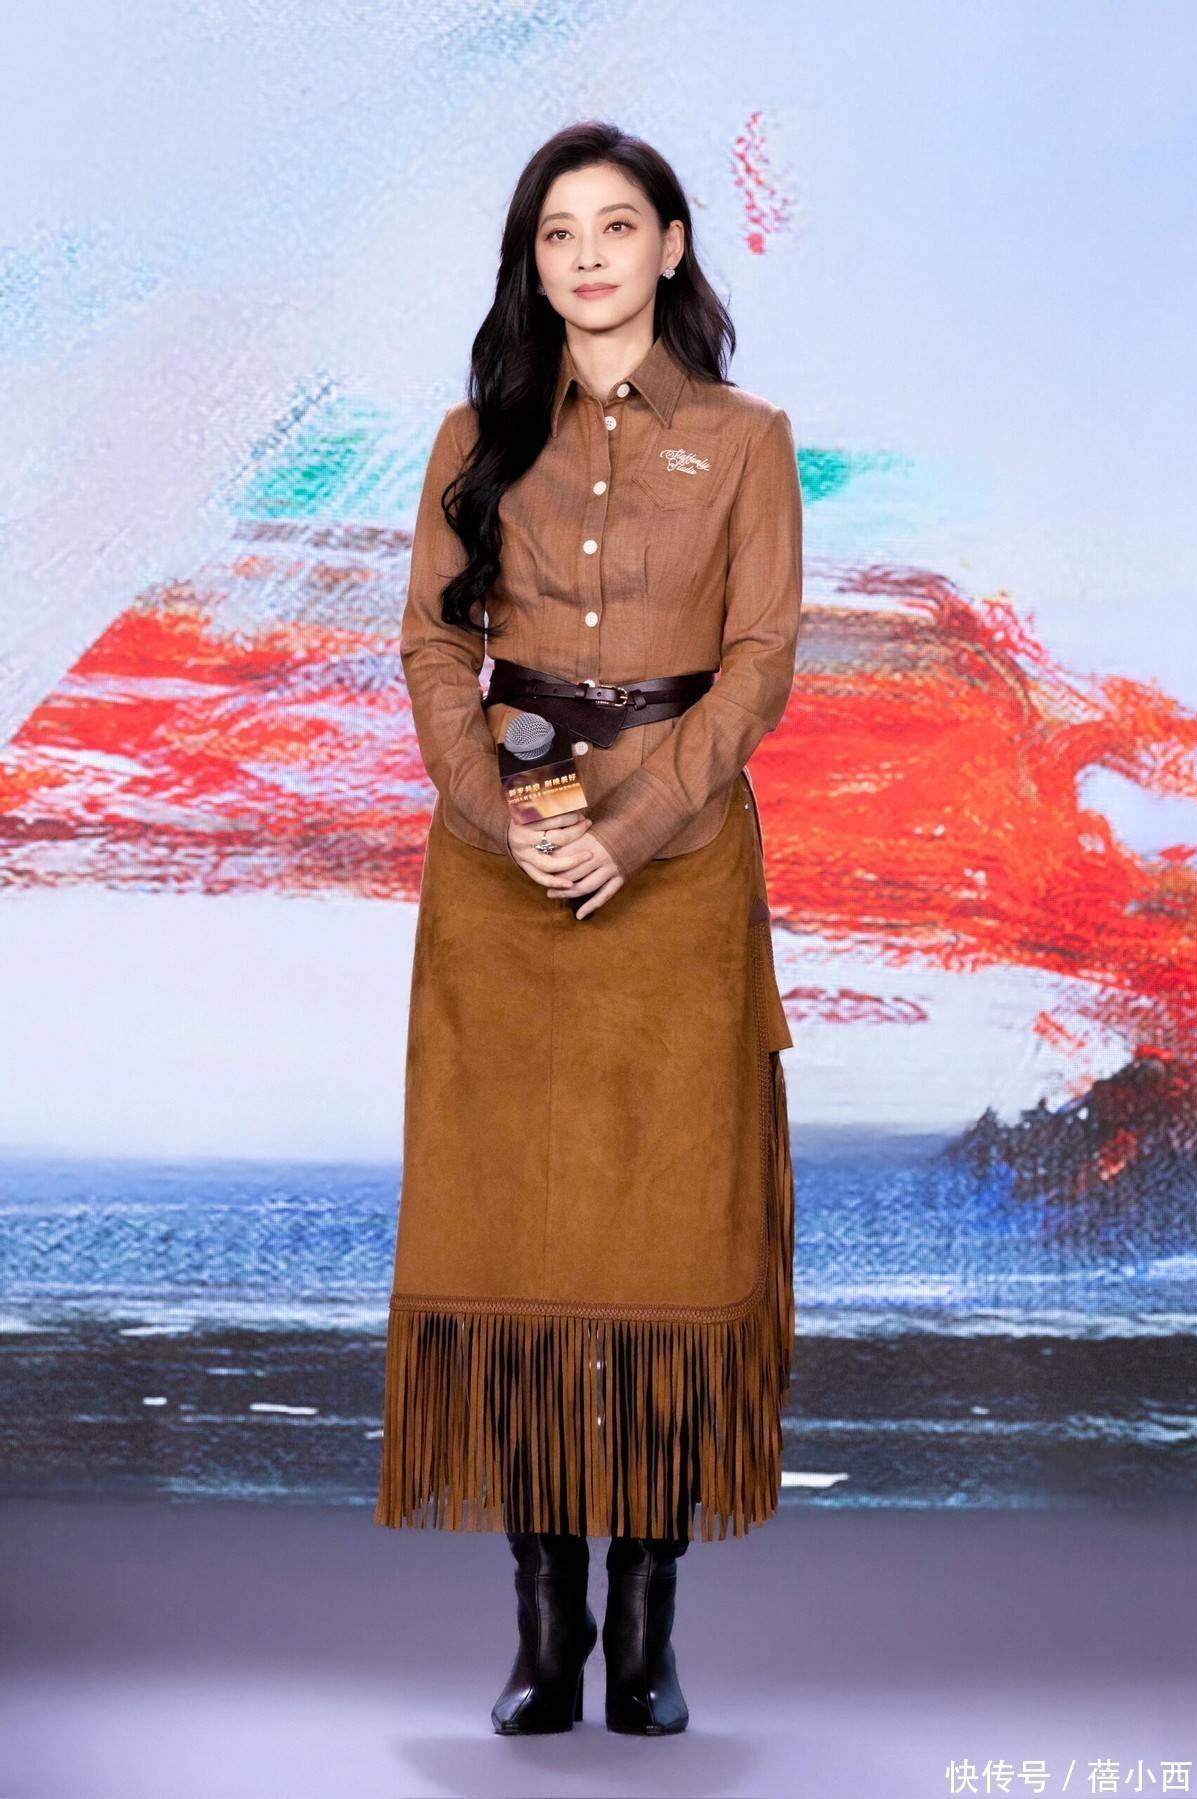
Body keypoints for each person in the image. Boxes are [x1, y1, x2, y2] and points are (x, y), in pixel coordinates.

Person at [374, 119, 803, 1737]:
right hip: (501, 870)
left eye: (617, 226)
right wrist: (513, 817)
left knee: (673, 1232)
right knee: (516, 1232)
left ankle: (648, 1624)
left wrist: (629, 828)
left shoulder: (748, 440)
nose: (589, 257)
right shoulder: (474, 434)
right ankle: (544, 1627)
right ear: (533, 261)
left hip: (680, 869)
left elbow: (760, 660)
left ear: (671, 247)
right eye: (559, 233)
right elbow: (434, 649)